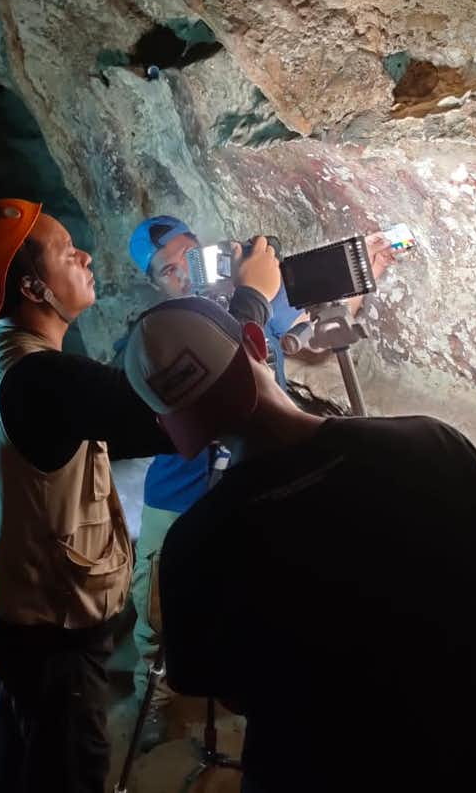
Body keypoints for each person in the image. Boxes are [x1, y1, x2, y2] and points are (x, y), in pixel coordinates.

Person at [122, 296, 476, 793]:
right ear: (256, 343)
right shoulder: (430, 449)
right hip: (464, 768)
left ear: (169, 423)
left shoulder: (193, 547)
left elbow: (222, 689)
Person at [0, 199, 282, 793]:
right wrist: (252, 300)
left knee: (15, 758)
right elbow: (188, 411)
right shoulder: (43, 379)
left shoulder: (5, 348)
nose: (85, 255)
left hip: (1, 603)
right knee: (68, 768)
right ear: (31, 287)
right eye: (66, 251)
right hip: (45, 627)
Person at [118, 214, 395, 749]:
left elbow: (308, 338)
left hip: (258, 481)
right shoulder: (163, 329)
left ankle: (267, 702)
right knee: (156, 604)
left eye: (188, 255)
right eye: (167, 269)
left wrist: (365, 279)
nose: (183, 274)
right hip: (181, 491)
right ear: (155, 283)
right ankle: (151, 695)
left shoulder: (253, 301)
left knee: (270, 594)